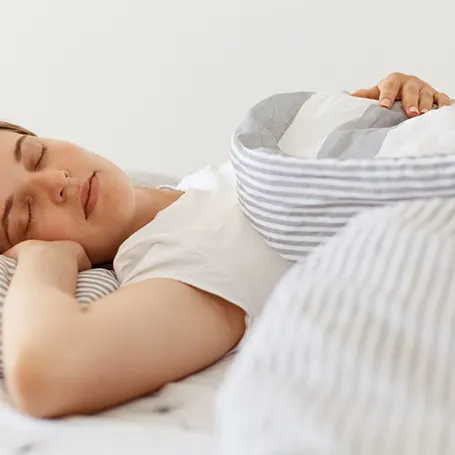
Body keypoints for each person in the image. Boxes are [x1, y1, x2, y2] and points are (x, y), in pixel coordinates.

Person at [1, 72, 451, 418]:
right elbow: (46, 371)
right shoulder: (175, 259)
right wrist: (42, 259)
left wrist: (390, 109)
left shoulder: (200, 185)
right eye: (24, 215)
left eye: (37, 154)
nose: (54, 183)